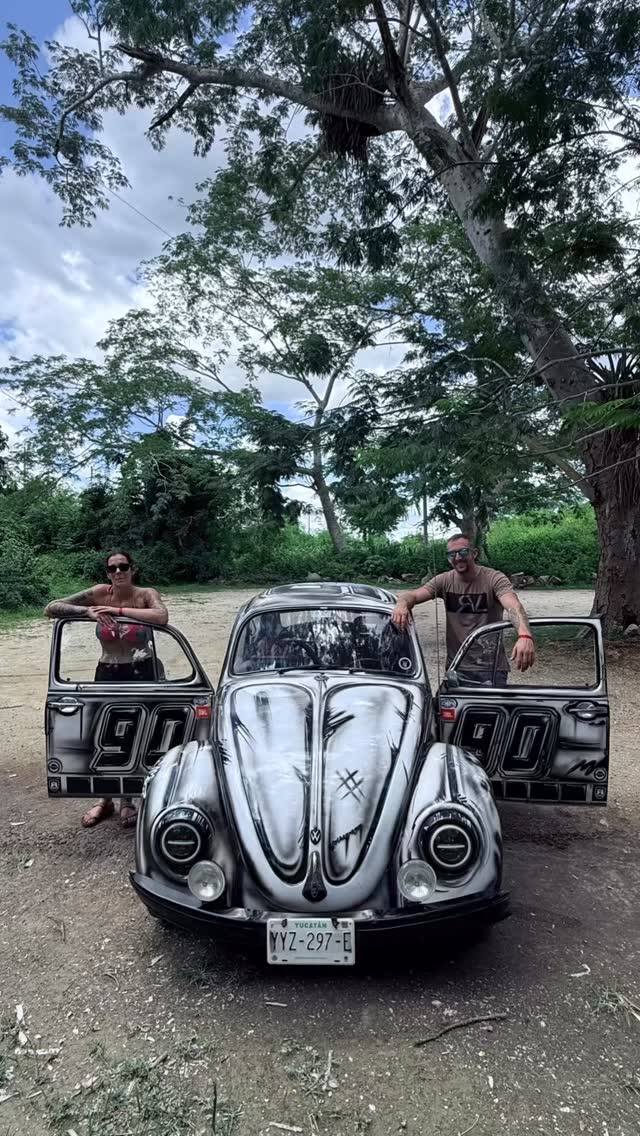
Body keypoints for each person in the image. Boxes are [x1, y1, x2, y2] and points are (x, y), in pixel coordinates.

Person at [45, 550, 169, 829]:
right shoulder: (99, 593)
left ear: (132, 569)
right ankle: (105, 799)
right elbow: (52, 607)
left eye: (123, 566)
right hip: (108, 671)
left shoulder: (145, 594)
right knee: (103, 733)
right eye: (112, 568)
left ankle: (128, 801)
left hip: (141, 670)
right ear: (107, 573)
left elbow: (161, 616)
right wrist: (86, 611)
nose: (118, 572)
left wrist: (116, 611)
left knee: (136, 734)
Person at [391, 533, 535, 684]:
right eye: (452, 554)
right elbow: (412, 595)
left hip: (491, 669)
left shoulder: (494, 578)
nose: (458, 557)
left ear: (474, 553)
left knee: (490, 708)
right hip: (456, 666)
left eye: (463, 552)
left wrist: (525, 636)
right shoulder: (444, 580)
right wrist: (402, 604)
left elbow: (514, 606)